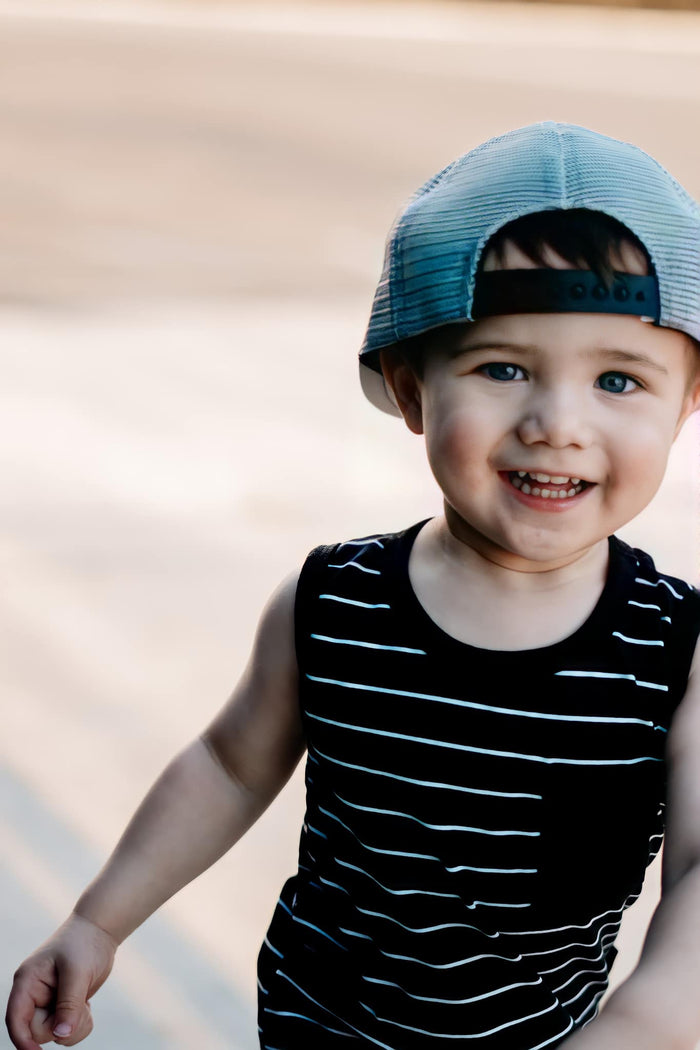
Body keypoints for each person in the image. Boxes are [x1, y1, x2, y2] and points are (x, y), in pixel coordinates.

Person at [7, 121, 700, 1050]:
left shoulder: (673, 649)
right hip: (313, 1027)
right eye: (503, 368)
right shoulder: (333, 600)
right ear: (411, 389)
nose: (557, 422)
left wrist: (643, 1026)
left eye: (620, 380)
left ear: (687, 401)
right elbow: (228, 765)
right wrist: (98, 919)